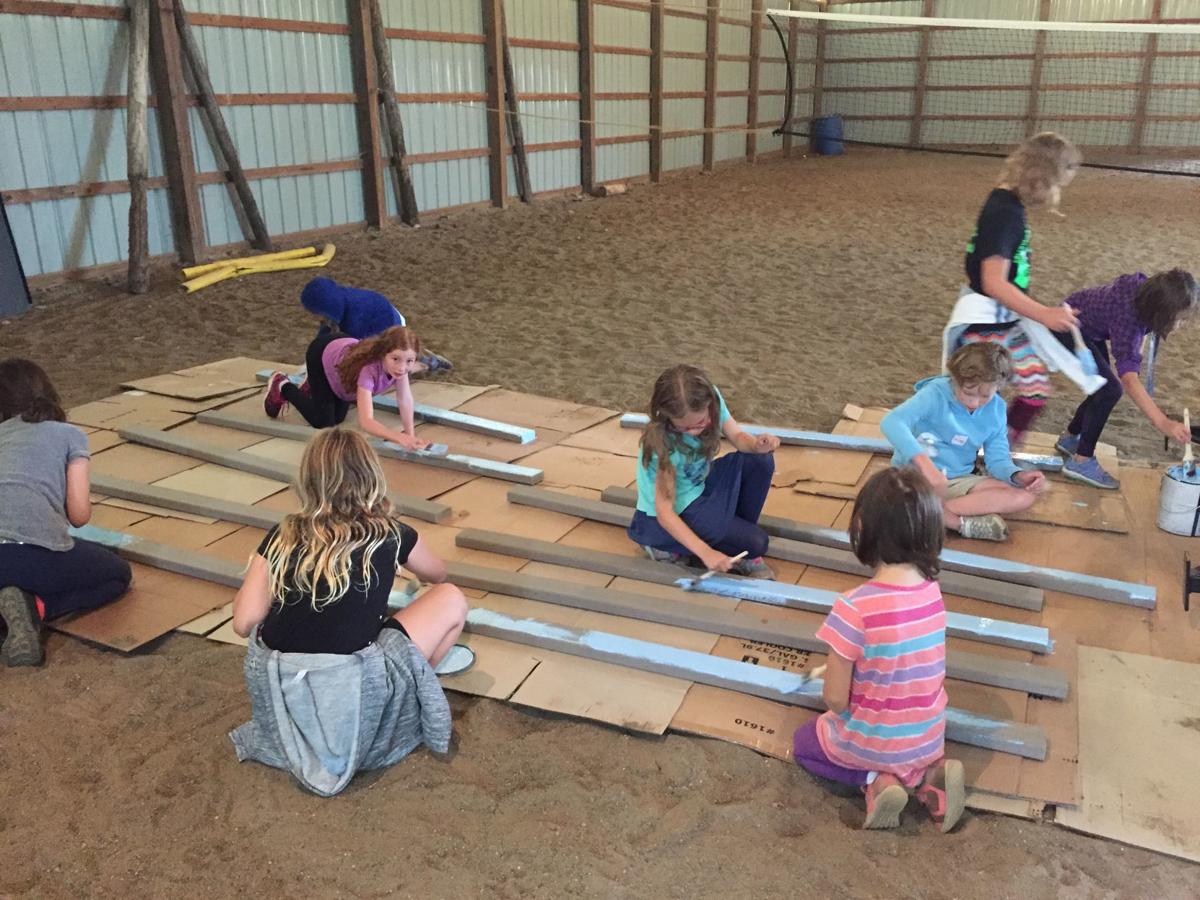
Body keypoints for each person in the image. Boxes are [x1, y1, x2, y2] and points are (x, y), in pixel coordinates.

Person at [228, 427, 472, 796]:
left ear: (310, 480)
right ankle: (417, 685)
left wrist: (268, 571)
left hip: (283, 679)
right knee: (451, 598)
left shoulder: (283, 534)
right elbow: (438, 574)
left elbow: (244, 622)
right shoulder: (390, 533)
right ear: (371, 475)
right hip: (354, 684)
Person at [792, 466, 965, 832]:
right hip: (927, 737)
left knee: (805, 743)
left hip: (870, 743)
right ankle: (929, 775)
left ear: (861, 531)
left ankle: (876, 780)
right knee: (905, 744)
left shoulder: (853, 608)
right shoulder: (932, 594)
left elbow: (836, 700)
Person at [945, 131, 1100, 446]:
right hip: (984, 323)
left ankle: (998, 447)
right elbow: (993, 281)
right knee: (978, 394)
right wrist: (1044, 314)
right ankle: (964, 450)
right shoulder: (1005, 213)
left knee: (1034, 390)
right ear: (1042, 178)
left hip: (1005, 321)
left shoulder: (1007, 203)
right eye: (1057, 184)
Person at [0, 358, 132, 667]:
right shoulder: (69, 435)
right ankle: (36, 607)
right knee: (117, 575)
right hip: (33, 554)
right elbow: (79, 515)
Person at [880, 343, 1046, 542]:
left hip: (957, 479)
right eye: (968, 393)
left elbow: (998, 458)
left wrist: (1018, 475)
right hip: (913, 476)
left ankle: (932, 514)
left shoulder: (997, 409)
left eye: (985, 396)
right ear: (954, 380)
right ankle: (955, 521)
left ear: (998, 387)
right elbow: (892, 421)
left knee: (1024, 496)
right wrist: (926, 466)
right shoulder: (934, 393)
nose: (974, 402)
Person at [627, 364, 779, 579]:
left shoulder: (712, 399)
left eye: (700, 423)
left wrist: (757, 445)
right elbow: (665, 512)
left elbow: (737, 436)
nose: (694, 431)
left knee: (760, 461)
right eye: (684, 428)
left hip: (700, 483)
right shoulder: (663, 444)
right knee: (756, 543)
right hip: (678, 508)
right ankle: (662, 544)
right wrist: (705, 552)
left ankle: (731, 534)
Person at [1054, 269, 1198, 489]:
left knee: (1102, 386)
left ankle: (1070, 437)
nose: (1178, 326)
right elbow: (1129, 380)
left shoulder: (1147, 292)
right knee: (1110, 390)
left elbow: (1137, 340)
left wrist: (1135, 355)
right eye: (1177, 320)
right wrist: (1163, 422)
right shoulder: (1127, 318)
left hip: (1089, 327)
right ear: (1160, 312)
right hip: (1068, 326)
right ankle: (1081, 461)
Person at [263, 325, 431, 451]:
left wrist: (410, 435)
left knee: (338, 417)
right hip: (321, 352)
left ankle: (314, 386)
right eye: (396, 359)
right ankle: (283, 385)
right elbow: (366, 421)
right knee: (324, 424)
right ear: (382, 354)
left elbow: (404, 400)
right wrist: (398, 437)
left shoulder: (399, 370)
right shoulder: (368, 370)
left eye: (409, 361)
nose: (402, 368)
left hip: (339, 356)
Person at [300, 276, 452, 374]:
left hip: (389, 327)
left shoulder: (355, 318)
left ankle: (426, 365)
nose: (314, 317)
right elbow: (323, 338)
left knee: (389, 369)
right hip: (381, 317)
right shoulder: (337, 306)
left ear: (325, 308)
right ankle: (418, 354)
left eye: (315, 312)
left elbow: (359, 350)